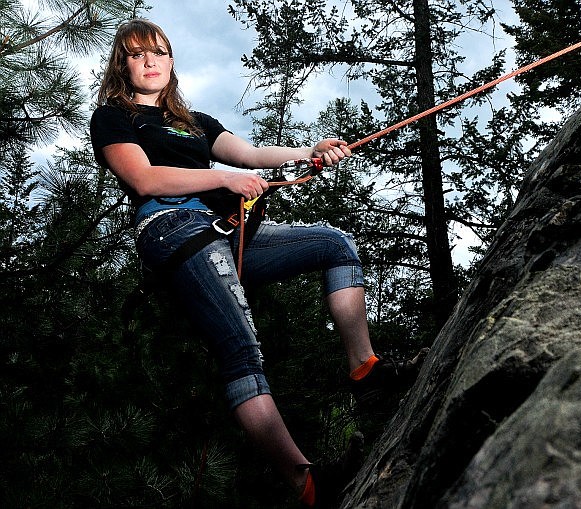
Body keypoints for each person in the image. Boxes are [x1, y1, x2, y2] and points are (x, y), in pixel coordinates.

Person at [90, 18, 426, 508]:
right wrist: (220, 180)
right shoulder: (114, 118)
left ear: (170, 62)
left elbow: (248, 154)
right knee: (242, 353)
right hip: (171, 230)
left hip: (223, 231)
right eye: (137, 54)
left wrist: (308, 151)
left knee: (335, 243)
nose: (150, 62)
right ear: (123, 64)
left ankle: (365, 370)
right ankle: (307, 484)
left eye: (159, 52)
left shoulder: (194, 122)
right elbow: (144, 180)